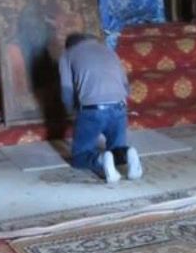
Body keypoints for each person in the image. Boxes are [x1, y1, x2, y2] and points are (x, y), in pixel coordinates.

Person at [58, 32, 142, 183]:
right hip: (120, 106)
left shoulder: (67, 55)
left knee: (79, 156)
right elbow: (126, 85)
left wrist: (72, 113)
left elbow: (67, 90)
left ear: (69, 45)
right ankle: (129, 154)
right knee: (116, 149)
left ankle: (101, 160)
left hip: (93, 109)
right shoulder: (108, 51)